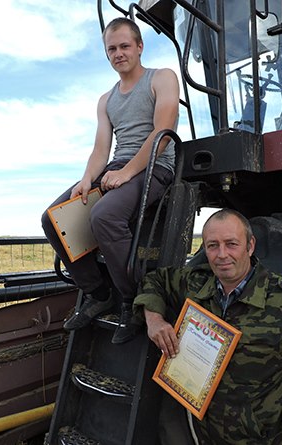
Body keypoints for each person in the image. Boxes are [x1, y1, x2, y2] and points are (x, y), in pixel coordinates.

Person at [134, 209, 282, 444]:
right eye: (212, 246)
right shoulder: (196, 282)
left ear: (250, 246)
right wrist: (154, 319)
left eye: (231, 244)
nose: (221, 255)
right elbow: (155, 280)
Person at [41, 17, 179, 344]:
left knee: (104, 216)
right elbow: (101, 148)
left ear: (140, 47)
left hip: (155, 166)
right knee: (53, 219)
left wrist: (127, 172)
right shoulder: (107, 100)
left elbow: (162, 134)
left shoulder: (162, 78)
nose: (118, 53)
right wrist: (88, 178)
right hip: (116, 166)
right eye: (112, 49)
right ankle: (97, 292)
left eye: (124, 46)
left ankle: (134, 301)